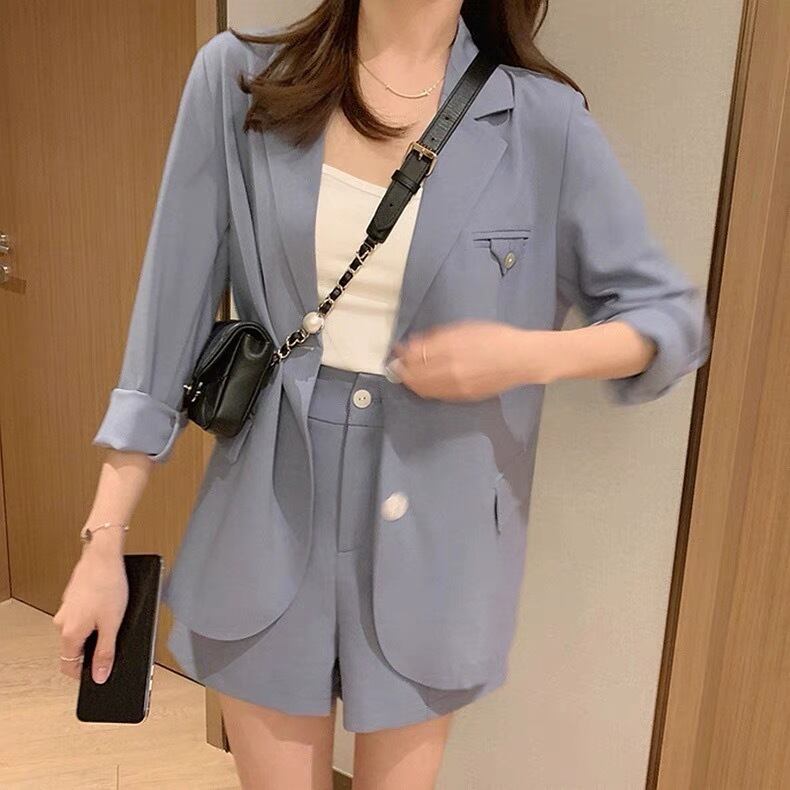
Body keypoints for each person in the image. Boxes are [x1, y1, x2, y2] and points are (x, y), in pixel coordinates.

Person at [53, 1, 711, 787]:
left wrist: (524, 355)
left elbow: (667, 319)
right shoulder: (241, 81)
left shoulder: (540, 121)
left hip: (440, 529)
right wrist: (103, 542)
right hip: (265, 513)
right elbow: (164, 332)